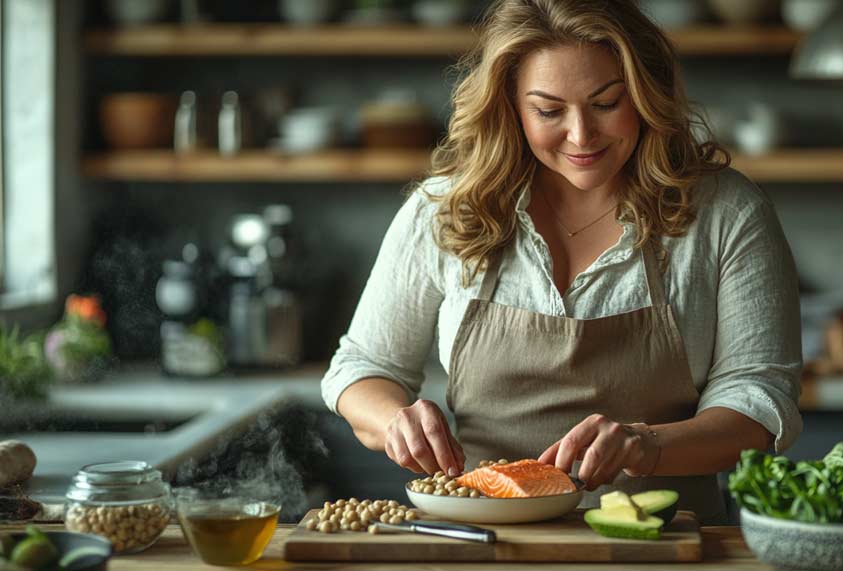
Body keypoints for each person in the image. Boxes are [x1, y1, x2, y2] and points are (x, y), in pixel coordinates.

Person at [322, 0, 801, 524]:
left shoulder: (725, 213)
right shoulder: (447, 209)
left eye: (606, 103)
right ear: (512, 108)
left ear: (645, 95)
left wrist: (647, 446)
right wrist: (395, 420)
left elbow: (759, 403)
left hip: (659, 547)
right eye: (549, 111)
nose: (581, 135)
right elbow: (364, 367)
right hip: (486, 543)